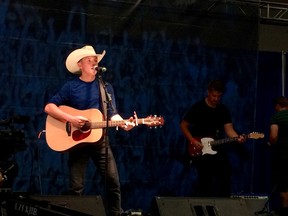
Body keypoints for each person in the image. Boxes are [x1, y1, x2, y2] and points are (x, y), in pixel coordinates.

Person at [44, 45, 135, 216]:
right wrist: (72, 119)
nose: (94, 62)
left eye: (95, 60)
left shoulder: (106, 87)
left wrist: (124, 124)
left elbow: (113, 115)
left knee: (113, 182)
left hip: (100, 141)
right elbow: (49, 107)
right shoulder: (71, 87)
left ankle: (115, 214)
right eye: (89, 60)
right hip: (77, 142)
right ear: (80, 65)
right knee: (76, 187)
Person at [179, 79, 245, 197]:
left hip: (218, 149)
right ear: (208, 92)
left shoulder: (223, 110)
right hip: (201, 149)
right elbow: (183, 125)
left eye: (219, 96)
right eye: (214, 96)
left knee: (225, 177)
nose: (216, 99)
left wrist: (237, 138)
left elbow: (229, 130)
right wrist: (193, 141)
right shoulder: (198, 107)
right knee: (205, 181)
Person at [269, 96, 288, 216]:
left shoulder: (276, 117)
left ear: (277, 106)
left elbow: (274, 136)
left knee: (284, 188)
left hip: (284, 157)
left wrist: (269, 142)